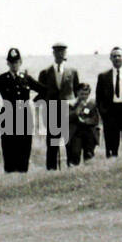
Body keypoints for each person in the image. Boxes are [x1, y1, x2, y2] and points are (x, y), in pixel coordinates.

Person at [0, 48, 47, 173]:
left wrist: (33, 101)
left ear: (20, 62)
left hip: (25, 119)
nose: (14, 65)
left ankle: (22, 181)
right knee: (9, 154)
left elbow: (44, 91)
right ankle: (10, 181)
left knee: (24, 153)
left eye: (16, 62)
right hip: (8, 119)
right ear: (7, 63)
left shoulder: (26, 79)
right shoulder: (2, 79)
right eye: (11, 62)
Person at [38, 42, 79, 170]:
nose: (60, 55)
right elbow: (41, 93)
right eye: (57, 52)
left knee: (70, 141)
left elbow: (76, 90)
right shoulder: (45, 72)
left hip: (67, 110)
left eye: (63, 52)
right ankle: (51, 169)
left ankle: (71, 167)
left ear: (65, 54)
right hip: (52, 111)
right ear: (53, 54)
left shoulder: (72, 71)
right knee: (52, 143)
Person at [65, 82, 101, 166]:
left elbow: (95, 119)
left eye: (86, 94)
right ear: (77, 93)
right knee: (75, 153)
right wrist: (77, 110)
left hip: (89, 132)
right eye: (81, 94)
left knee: (89, 154)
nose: (84, 96)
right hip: (75, 132)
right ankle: (73, 170)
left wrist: (86, 121)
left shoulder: (92, 104)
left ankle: (88, 171)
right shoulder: (70, 104)